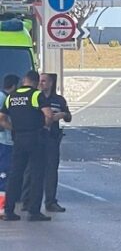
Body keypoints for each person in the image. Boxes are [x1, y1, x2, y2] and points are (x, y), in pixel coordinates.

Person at [0, 71, 53, 221]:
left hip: (18, 138)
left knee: (15, 174)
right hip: (35, 138)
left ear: (24, 81)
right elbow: (48, 115)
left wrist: (13, 128)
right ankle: (34, 211)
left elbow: (1, 119)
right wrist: (45, 126)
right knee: (37, 174)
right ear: (36, 82)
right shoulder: (36, 95)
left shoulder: (11, 96)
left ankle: (9, 210)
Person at [38, 73, 71, 213]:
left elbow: (69, 116)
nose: (41, 83)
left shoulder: (58, 100)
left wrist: (62, 115)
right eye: (40, 81)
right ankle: (28, 201)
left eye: (44, 81)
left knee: (51, 171)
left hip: (52, 138)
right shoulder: (35, 97)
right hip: (37, 138)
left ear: (51, 83)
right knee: (32, 171)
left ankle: (50, 201)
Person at [0, 74, 19, 195]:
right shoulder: (4, 98)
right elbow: (2, 120)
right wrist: (15, 130)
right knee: (4, 171)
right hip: (5, 141)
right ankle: (3, 203)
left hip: (4, 140)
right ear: (13, 86)